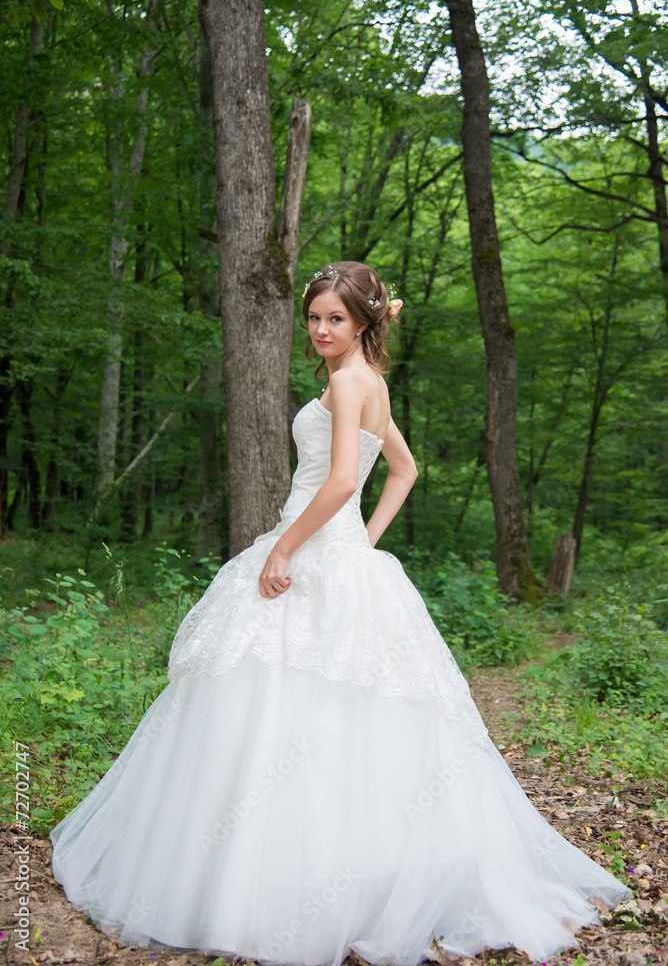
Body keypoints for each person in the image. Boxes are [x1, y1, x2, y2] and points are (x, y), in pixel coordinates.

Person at [50, 261, 630, 965]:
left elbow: (346, 480)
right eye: (315, 317)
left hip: (310, 552)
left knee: (293, 702)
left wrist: (287, 549)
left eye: (336, 318)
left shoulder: (351, 382)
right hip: (336, 552)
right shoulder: (368, 384)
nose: (322, 330)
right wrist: (361, 542)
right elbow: (404, 469)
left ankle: (281, 886)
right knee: (298, 706)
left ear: (364, 322)